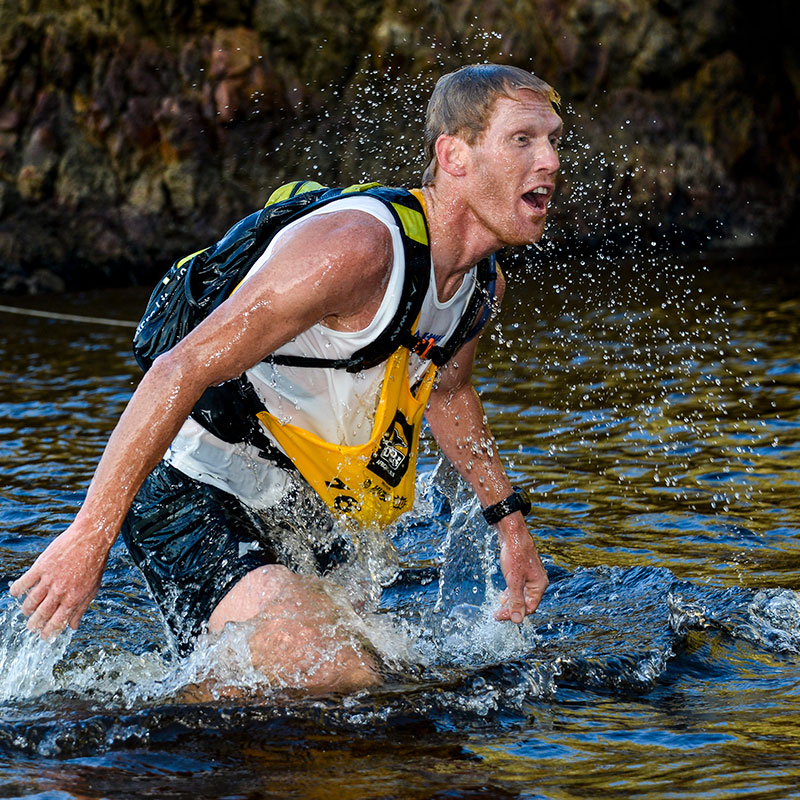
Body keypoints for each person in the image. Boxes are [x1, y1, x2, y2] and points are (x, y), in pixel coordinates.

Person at [10, 63, 563, 693]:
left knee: (391, 680)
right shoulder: (356, 249)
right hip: (198, 486)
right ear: (454, 155)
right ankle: (110, 753)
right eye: (523, 140)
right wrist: (88, 538)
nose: (548, 160)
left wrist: (511, 527)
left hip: (303, 507)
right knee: (340, 677)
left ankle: (177, 706)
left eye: (553, 140)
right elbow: (180, 367)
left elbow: (448, 390)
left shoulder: (478, 285)